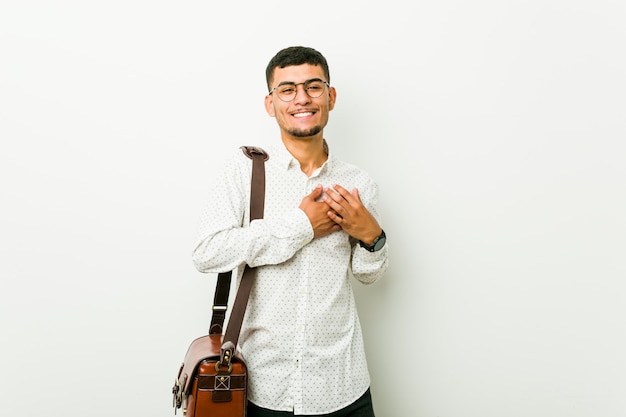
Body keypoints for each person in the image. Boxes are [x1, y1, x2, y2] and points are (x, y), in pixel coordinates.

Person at [192, 46, 388, 417]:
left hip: (342, 386)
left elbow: (368, 275)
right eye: (287, 89)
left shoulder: (357, 182)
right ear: (271, 103)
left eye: (314, 87)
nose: (302, 98)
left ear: (330, 97)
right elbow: (207, 251)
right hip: (264, 388)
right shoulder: (244, 169)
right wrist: (301, 226)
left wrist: (372, 238)